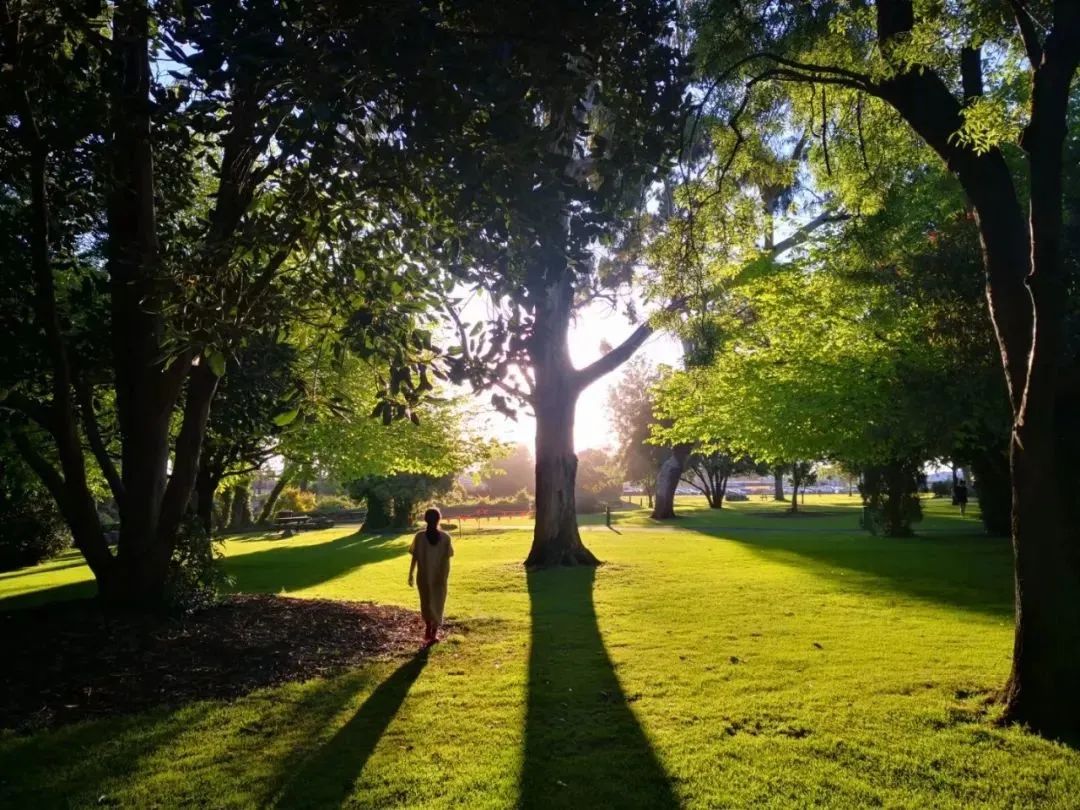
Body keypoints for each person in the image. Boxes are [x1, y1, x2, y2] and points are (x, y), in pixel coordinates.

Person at [408, 508, 454, 644]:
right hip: (439, 577)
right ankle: (433, 632)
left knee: (426, 602)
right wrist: (444, 576)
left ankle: (428, 629)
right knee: (438, 602)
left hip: (423, 576)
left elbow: (414, 557)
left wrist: (410, 574)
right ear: (439, 519)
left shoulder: (419, 536)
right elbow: (447, 560)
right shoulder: (445, 537)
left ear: (425, 519)